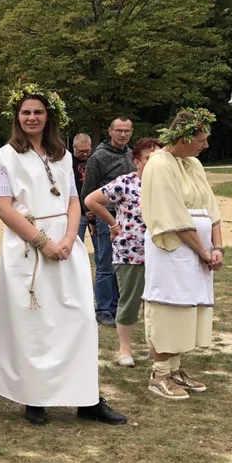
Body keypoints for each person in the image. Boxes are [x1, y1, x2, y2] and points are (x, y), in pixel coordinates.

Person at [0, 84, 127, 426]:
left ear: (48, 116)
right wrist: (42, 242)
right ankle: (35, 397)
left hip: (66, 245)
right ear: (16, 117)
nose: (32, 117)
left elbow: (72, 200)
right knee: (34, 323)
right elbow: (3, 208)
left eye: (38, 111)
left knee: (79, 319)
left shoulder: (63, 155)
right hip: (27, 246)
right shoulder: (3, 157)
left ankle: (86, 397)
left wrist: (68, 238)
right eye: (25, 112)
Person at [140, 109, 222, 399]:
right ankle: (159, 373)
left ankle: (175, 369)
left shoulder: (193, 164)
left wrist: (217, 247)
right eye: (201, 139)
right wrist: (202, 250)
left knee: (188, 307)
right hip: (172, 250)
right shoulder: (159, 164)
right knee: (169, 307)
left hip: (198, 252)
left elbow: (211, 209)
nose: (206, 145)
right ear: (184, 137)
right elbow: (171, 216)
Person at [84, 137, 161, 367]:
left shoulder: (167, 183)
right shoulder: (125, 183)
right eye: (149, 159)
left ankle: (156, 348)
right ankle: (124, 349)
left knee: (158, 303)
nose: (154, 163)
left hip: (162, 252)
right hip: (131, 252)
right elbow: (91, 200)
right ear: (136, 161)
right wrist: (112, 223)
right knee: (129, 301)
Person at [82, 117, 134, 326]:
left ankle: (116, 306)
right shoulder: (98, 158)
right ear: (110, 131)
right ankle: (103, 309)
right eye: (119, 131)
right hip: (106, 217)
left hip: (129, 218)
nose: (123, 135)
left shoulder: (132, 155)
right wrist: (93, 220)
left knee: (121, 264)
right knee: (105, 264)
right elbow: (88, 191)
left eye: (127, 131)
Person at [71, 133, 93, 241]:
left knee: (100, 247)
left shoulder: (95, 160)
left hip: (94, 211)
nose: (85, 154)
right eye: (81, 151)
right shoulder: (67, 162)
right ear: (74, 148)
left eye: (87, 151)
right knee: (76, 243)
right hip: (76, 211)